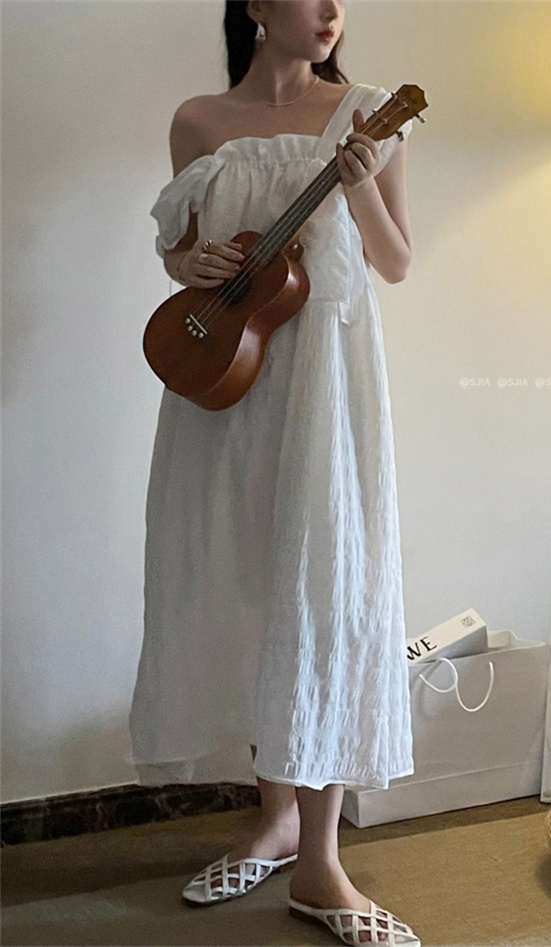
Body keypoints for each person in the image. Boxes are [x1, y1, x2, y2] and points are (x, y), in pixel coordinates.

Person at [126, 1, 420, 944]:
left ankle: (322, 862)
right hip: (227, 378)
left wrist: (360, 188)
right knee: (249, 585)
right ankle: (277, 819)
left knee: (325, 593)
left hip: (325, 384)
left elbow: (395, 261)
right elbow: (184, 254)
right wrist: (194, 262)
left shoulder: (370, 111)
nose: (332, 10)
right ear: (255, 3)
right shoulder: (199, 121)